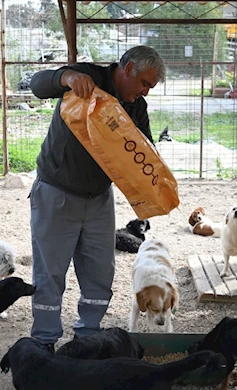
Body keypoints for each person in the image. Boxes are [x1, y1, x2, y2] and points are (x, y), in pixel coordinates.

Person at [28, 45, 165, 350]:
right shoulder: (88, 77)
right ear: (128, 69)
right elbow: (37, 84)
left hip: (99, 200)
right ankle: (44, 343)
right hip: (56, 194)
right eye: (144, 83)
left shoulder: (135, 107)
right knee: (49, 274)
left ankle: (87, 337)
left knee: (100, 274)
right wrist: (66, 77)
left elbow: (146, 152)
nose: (145, 92)